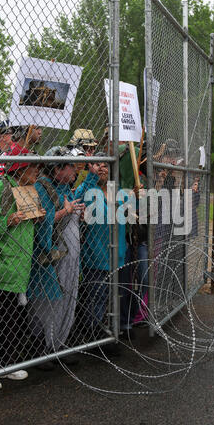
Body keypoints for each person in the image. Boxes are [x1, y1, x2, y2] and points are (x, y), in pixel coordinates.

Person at [26, 146, 98, 370]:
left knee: (67, 298)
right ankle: (41, 350)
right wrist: (66, 212)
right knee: (47, 302)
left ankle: (58, 344)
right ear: (57, 168)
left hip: (68, 257)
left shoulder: (65, 187)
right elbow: (40, 221)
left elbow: (74, 200)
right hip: (50, 258)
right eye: (69, 166)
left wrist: (75, 210)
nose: (74, 170)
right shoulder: (41, 187)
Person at [0, 146, 44, 391]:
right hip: (0, 265)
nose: (38, 171)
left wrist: (38, 217)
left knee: (12, 318)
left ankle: (5, 363)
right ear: (21, 168)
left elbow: (28, 224)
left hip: (20, 266)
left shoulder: (28, 190)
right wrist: (6, 221)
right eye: (34, 166)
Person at [79, 153, 127, 339]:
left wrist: (138, 195)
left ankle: (109, 329)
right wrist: (91, 177)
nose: (102, 168)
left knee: (113, 297)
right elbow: (80, 198)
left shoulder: (118, 191)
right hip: (96, 256)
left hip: (118, 254)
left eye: (105, 165)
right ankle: (92, 334)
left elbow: (134, 209)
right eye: (97, 165)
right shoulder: (88, 189)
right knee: (96, 298)